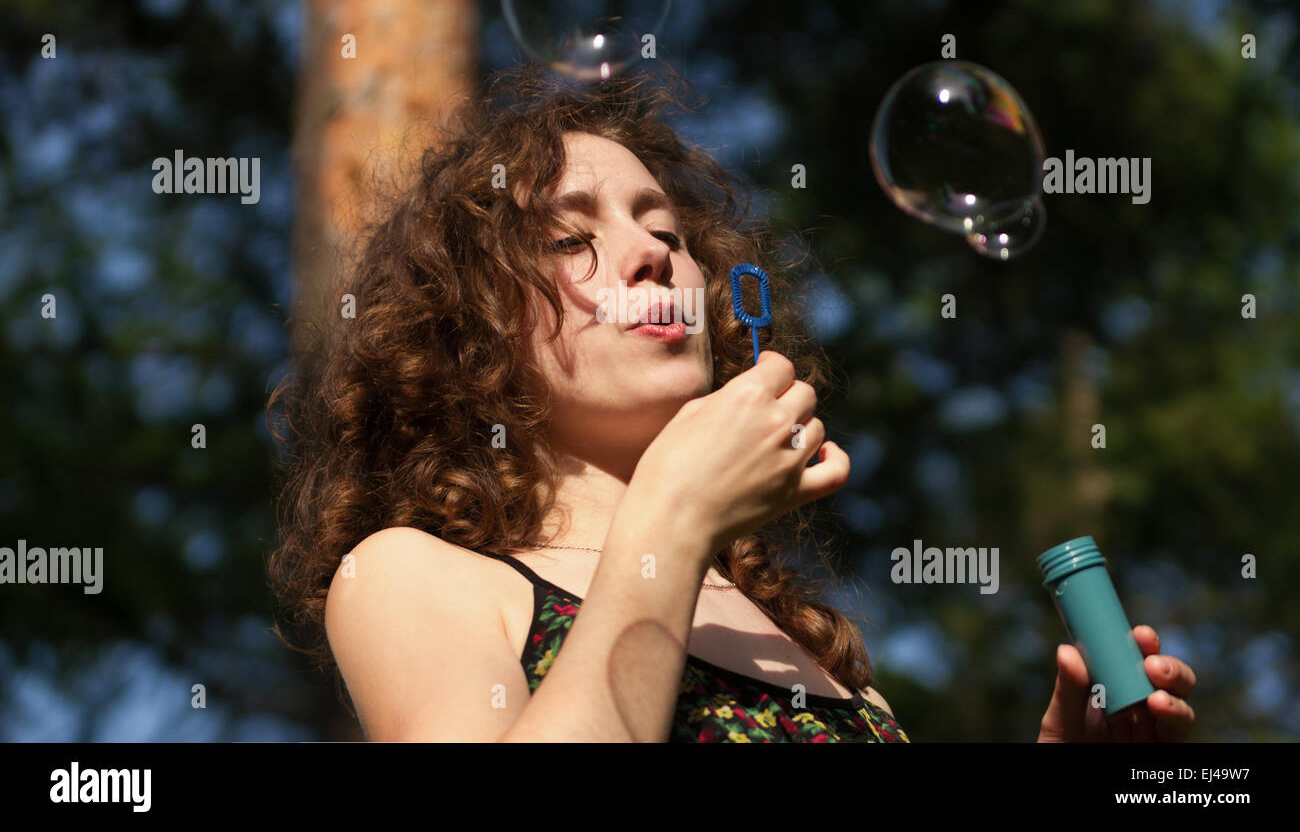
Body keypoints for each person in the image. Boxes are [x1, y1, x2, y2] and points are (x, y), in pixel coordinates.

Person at [266, 63, 1196, 743]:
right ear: (463, 334)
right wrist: (672, 516)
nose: (652, 254)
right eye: (565, 237)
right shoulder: (405, 577)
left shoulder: (803, 644)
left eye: (664, 227)